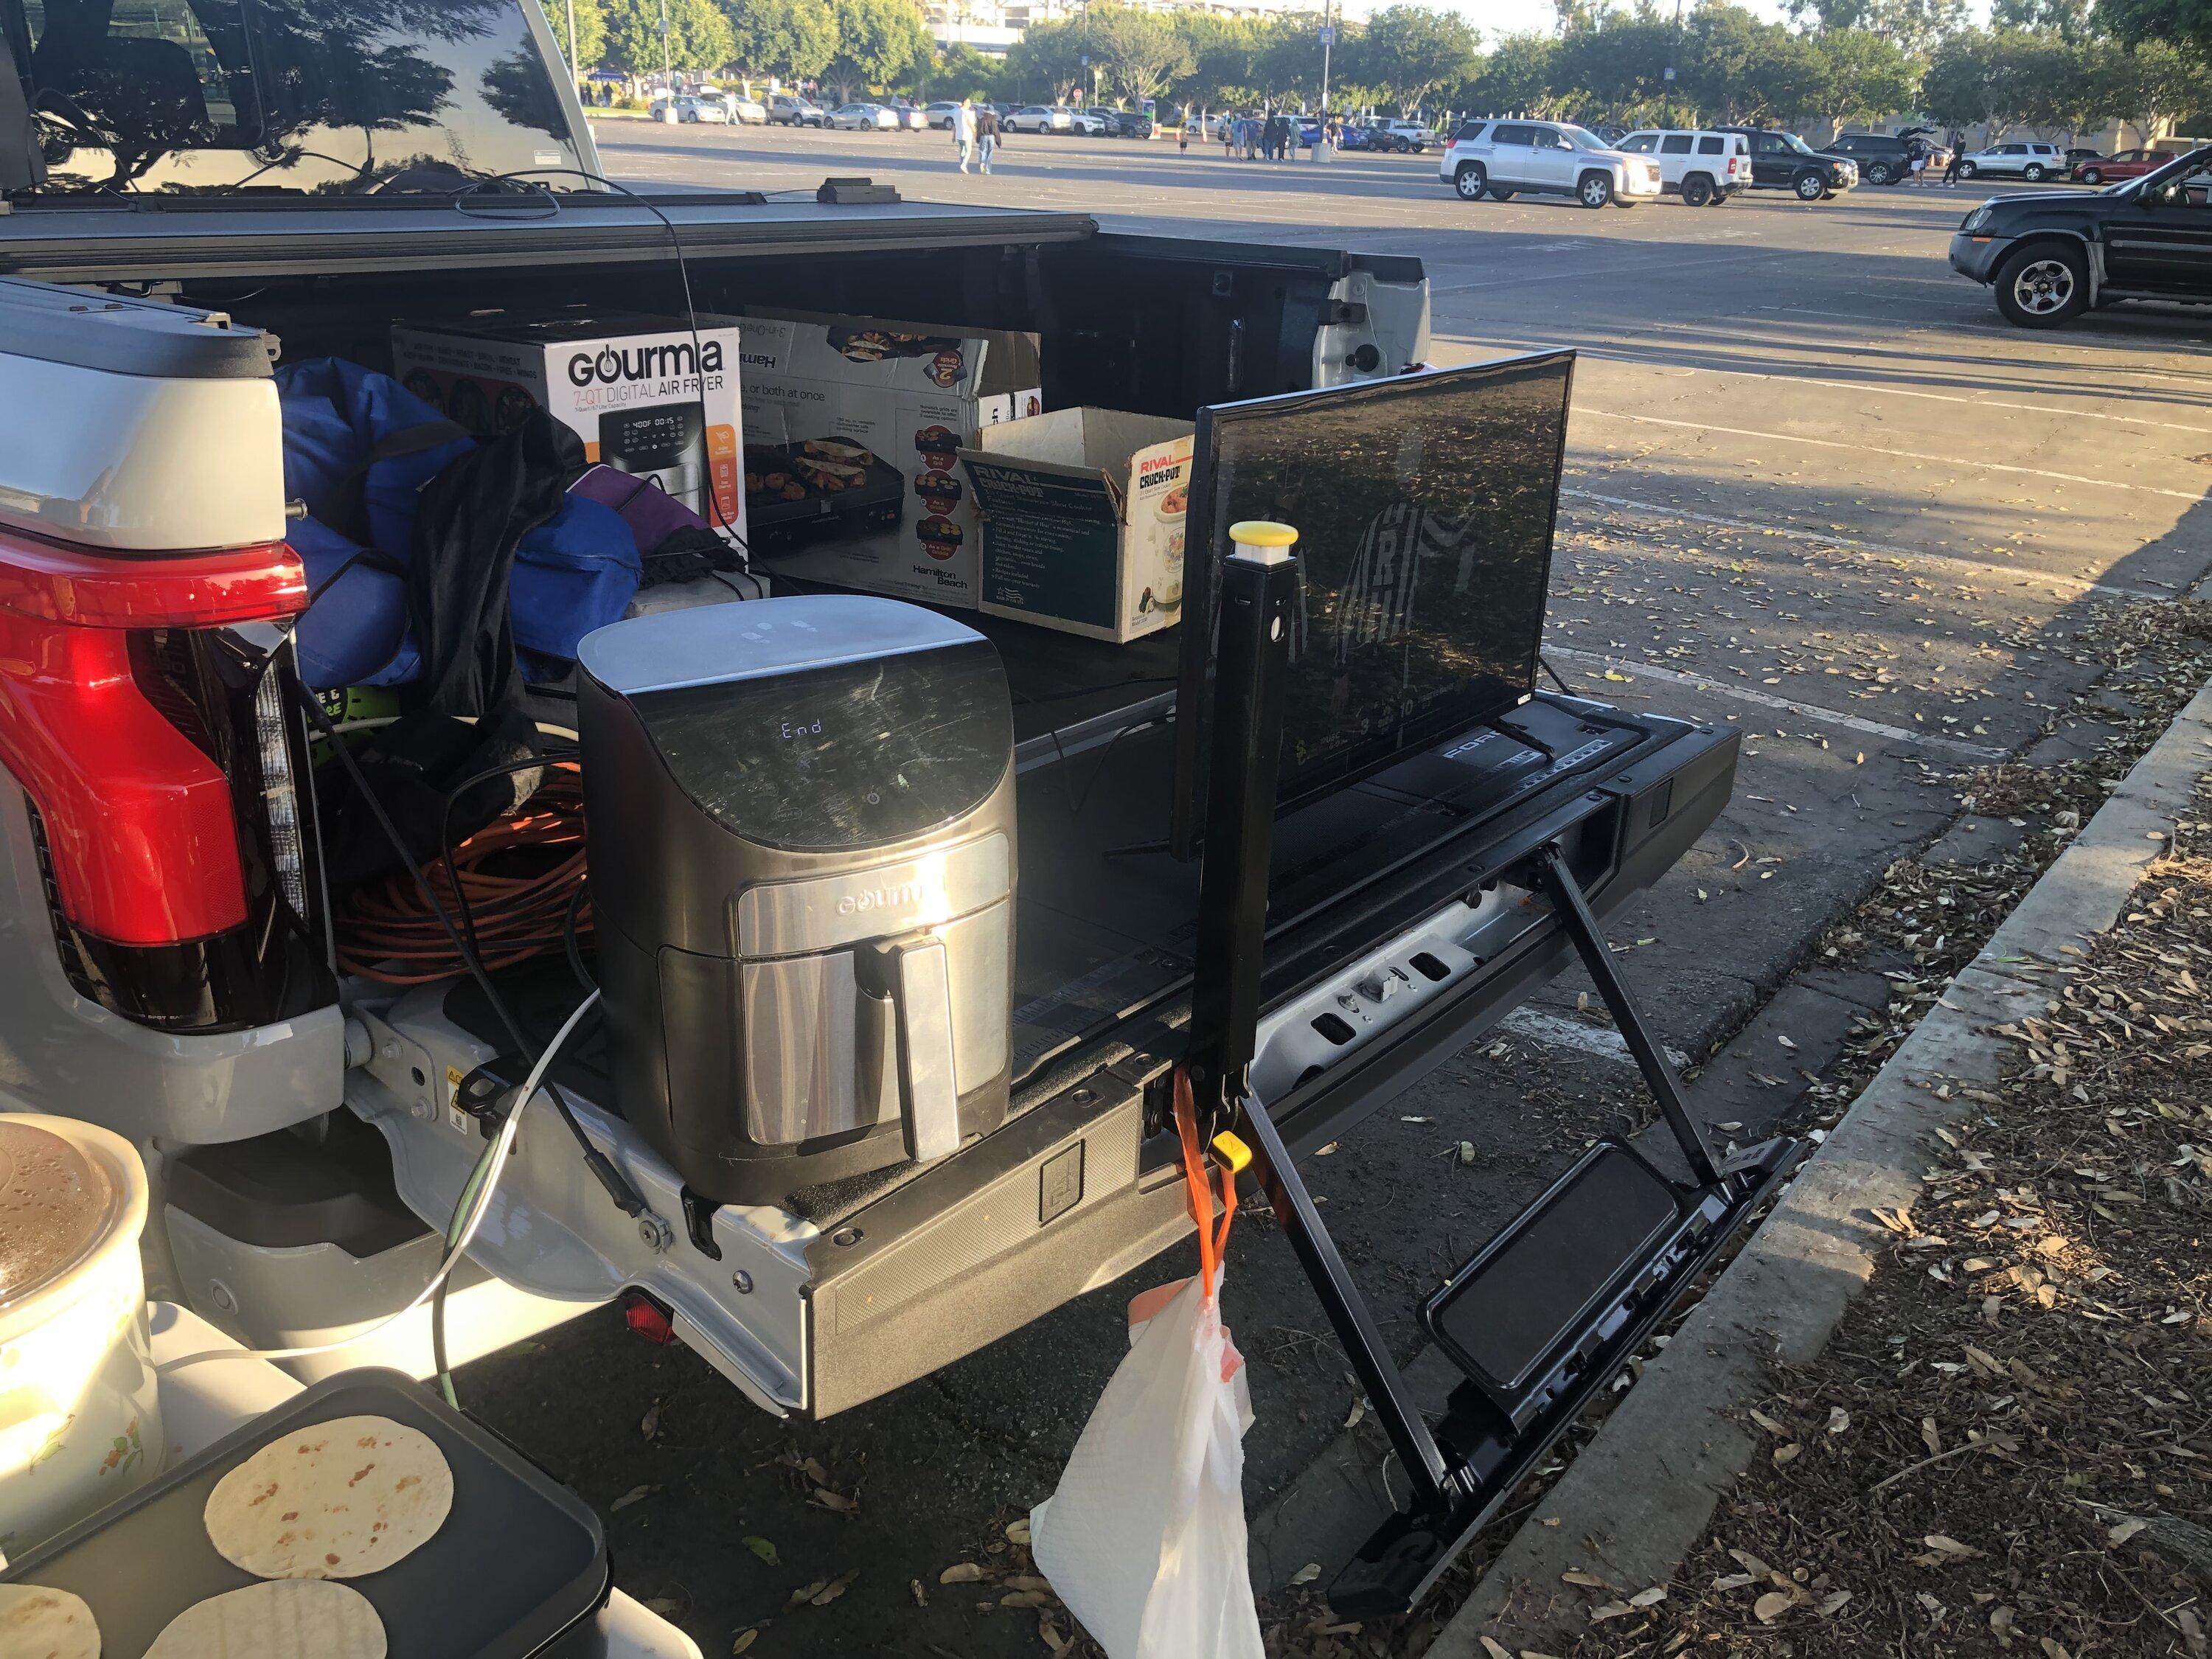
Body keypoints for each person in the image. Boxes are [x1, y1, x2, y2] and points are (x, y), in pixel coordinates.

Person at [953, 98, 977, 173]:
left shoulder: (956, 112)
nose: (970, 104)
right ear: (964, 102)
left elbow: (954, 125)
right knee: (968, 151)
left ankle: (962, 166)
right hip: (966, 135)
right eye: (968, 102)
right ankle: (963, 165)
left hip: (959, 135)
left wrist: (953, 136)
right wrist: (975, 133)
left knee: (962, 151)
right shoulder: (967, 113)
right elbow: (971, 124)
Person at [975, 103, 1000, 173]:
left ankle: (982, 163)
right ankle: (988, 170)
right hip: (991, 137)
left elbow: (979, 129)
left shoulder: (981, 119)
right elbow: (996, 130)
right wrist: (998, 141)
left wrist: (978, 138)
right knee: (990, 153)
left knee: (982, 151)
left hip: (983, 136)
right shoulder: (994, 119)